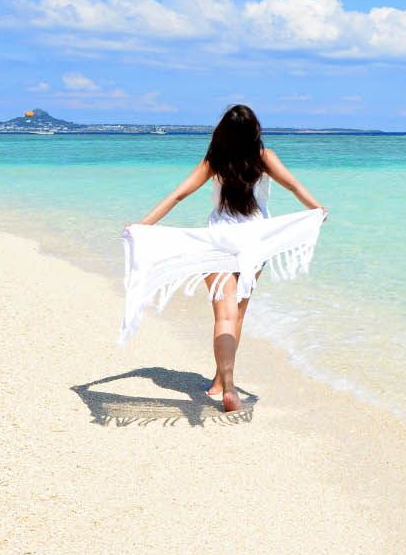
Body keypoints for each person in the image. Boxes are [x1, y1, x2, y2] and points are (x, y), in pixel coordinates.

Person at [136, 104, 323, 411]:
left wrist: (142, 227)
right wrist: (317, 209)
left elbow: (178, 195)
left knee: (224, 315)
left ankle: (225, 383)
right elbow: (293, 185)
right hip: (255, 243)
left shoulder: (215, 161)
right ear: (254, 132)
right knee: (238, 313)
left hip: (218, 243)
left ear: (222, 131)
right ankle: (223, 382)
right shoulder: (264, 158)